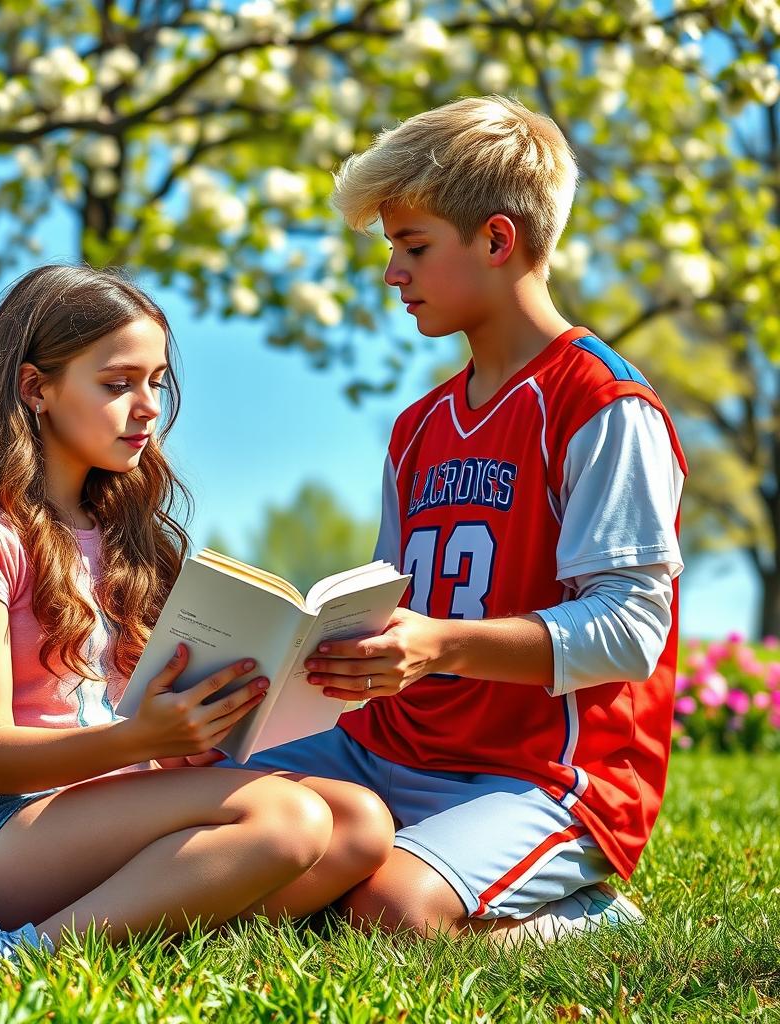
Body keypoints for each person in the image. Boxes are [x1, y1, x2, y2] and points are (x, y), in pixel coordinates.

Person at [215, 96, 687, 942]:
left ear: (498, 241)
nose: (392, 273)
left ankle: (591, 914)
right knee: (189, 795)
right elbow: (390, 604)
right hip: (388, 746)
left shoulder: (602, 406)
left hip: (543, 775)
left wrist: (437, 644)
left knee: (386, 914)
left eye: (414, 247)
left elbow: (632, 629)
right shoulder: (417, 427)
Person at [0, 264, 394, 967]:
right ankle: (18, 956)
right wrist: (136, 740)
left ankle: (135, 932)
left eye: (156, 382)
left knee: (361, 823)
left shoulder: (122, 532)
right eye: (117, 385)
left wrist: (194, 732)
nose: (146, 407)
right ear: (37, 390)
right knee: (290, 820)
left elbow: (119, 720)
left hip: (104, 806)